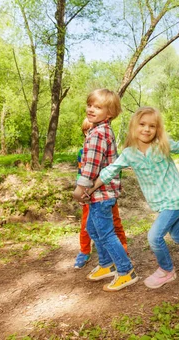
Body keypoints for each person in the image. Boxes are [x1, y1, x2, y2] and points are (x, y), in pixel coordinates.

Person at [87, 107, 179, 289]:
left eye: (152, 126)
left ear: (157, 129)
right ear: (134, 127)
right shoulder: (129, 154)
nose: (146, 129)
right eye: (142, 124)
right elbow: (109, 171)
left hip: (175, 198)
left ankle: (167, 271)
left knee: (154, 237)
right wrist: (89, 189)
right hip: (160, 202)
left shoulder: (162, 145)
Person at [72, 89, 137, 291]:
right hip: (97, 194)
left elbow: (91, 166)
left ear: (109, 114)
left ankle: (126, 271)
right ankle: (106, 264)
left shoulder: (99, 134)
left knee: (106, 233)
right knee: (92, 229)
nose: (91, 109)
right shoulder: (98, 130)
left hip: (101, 194)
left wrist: (80, 188)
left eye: (97, 107)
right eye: (90, 105)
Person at [74, 118, 128, 269]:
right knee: (89, 226)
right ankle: (92, 255)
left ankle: (123, 259)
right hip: (89, 194)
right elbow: (81, 173)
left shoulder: (101, 137)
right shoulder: (83, 151)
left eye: (90, 129)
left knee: (112, 226)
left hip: (103, 194)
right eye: (86, 131)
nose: (88, 133)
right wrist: (81, 192)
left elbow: (112, 169)